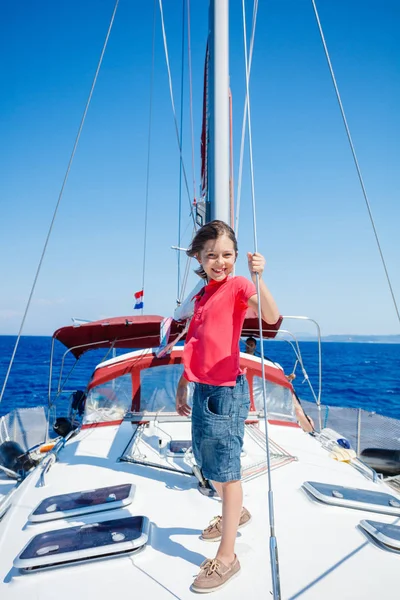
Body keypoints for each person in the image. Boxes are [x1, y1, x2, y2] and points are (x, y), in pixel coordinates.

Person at [175, 220, 280, 593]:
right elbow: (197, 343)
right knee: (207, 465)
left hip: (225, 392)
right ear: (199, 258)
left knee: (226, 469)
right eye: (212, 255)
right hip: (203, 389)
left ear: (236, 257)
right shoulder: (203, 295)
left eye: (227, 255)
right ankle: (236, 514)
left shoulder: (238, 285)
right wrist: (183, 383)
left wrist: (259, 277)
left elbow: (269, 315)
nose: (220, 261)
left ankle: (227, 557)